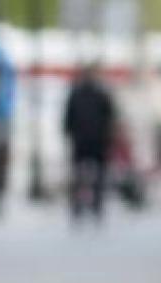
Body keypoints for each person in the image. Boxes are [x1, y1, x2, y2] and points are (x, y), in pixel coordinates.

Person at [63, 66, 118, 223]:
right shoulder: (98, 94)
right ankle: (90, 206)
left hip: (86, 140)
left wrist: (69, 133)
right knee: (91, 175)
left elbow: (68, 118)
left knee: (83, 175)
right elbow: (110, 118)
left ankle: (84, 207)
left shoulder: (79, 94)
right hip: (94, 140)